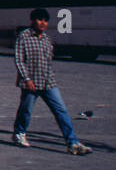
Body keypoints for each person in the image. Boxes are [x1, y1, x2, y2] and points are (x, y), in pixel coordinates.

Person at [12, 8, 91, 154]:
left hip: (48, 82)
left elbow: (48, 62)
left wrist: (51, 77)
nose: (43, 23)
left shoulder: (48, 40)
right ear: (32, 21)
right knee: (26, 110)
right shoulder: (23, 37)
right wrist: (27, 78)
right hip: (31, 83)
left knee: (61, 111)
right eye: (40, 19)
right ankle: (19, 134)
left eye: (45, 20)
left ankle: (72, 143)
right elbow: (19, 59)